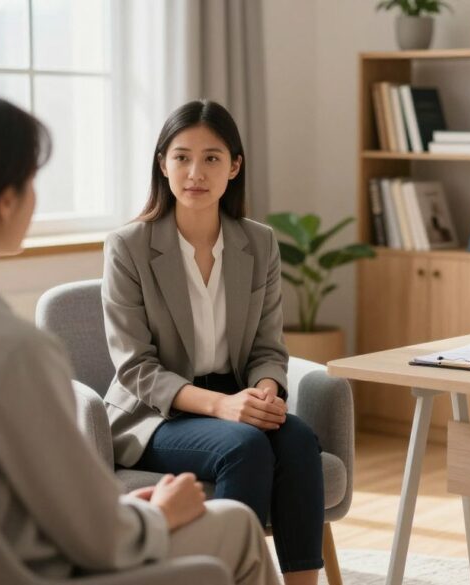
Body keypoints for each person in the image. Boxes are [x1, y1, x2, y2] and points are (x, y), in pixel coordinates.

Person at [0, 91, 279, 585]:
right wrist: (159, 514)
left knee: (231, 518)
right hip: (33, 571)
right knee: (238, 527)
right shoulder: (14, 352)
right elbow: (101, 537)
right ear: (6, 200)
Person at [102, 100, 325, 585]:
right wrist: (223, 407)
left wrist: (265, 389)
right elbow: (135, 367)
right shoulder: (129, 247)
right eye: (181, 157)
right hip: (156, 412)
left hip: (236, 396)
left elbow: (268, 346)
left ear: (235, 166)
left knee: (300, 439)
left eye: (211, 158)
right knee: (243, 446)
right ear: (163, 164)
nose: (195, 172)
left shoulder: (259, 243)